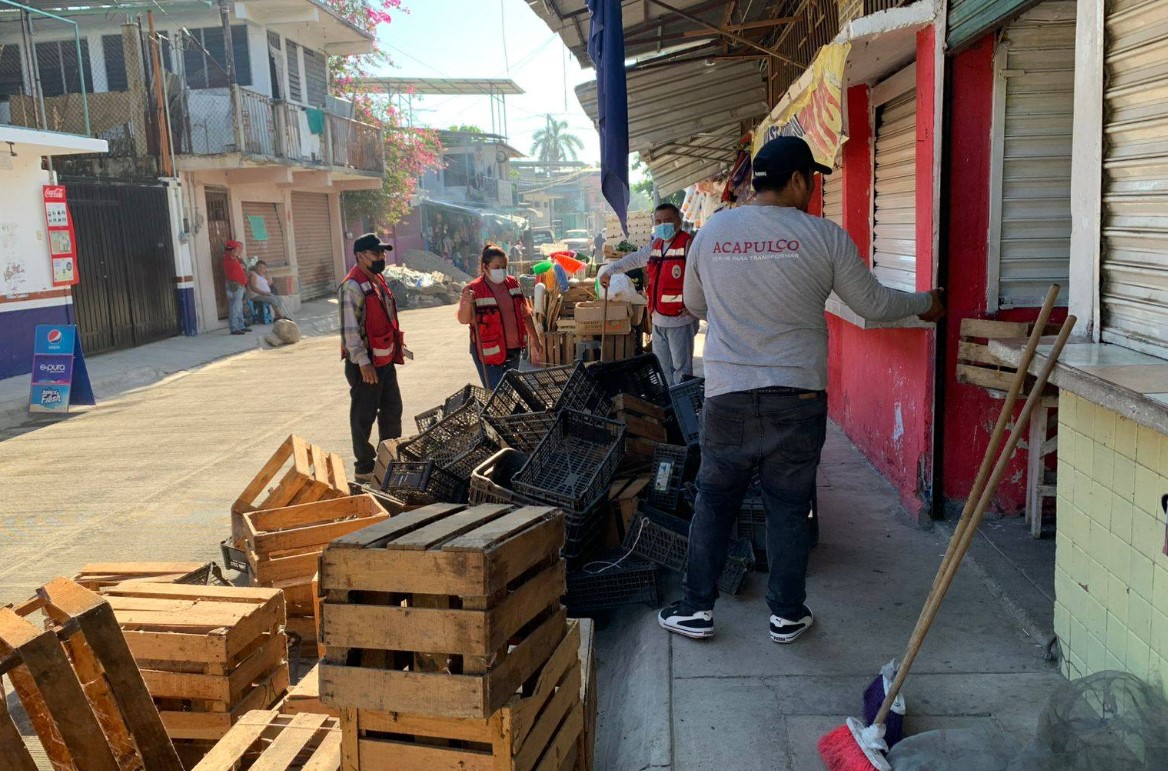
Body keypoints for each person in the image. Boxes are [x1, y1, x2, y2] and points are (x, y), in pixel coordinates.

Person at [658, 136, 944, 644]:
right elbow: (874, 304)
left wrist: (739, 313)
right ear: (795, 181)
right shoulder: (824, 237)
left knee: (714, 501)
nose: (813, 188)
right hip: (798, 398)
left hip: (728, 395)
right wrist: (927, 303)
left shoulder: (713, 231)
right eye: (810, 179)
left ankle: (696, 608)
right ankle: (787, 614)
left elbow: (694, 305)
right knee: (788, 506)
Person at [599, 203, 698, 385]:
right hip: (658, 317)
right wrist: (610, 271)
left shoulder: (688, 244)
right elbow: (635, 259)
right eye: (659, 221)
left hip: (680, 319)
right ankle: (670, 408)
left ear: (679, 221)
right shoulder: (656, 245)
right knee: (662, 368)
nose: (663, 225)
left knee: (681, 370)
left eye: (668, 220)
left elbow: (703, 277)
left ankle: (684, 409)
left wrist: (696, 308)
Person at [339, 233, 405, 485]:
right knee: (363, 416)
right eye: (376, 253)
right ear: (360, 256)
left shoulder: (377, 280)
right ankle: (364, 467)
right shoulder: (352, 286)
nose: (381, 258)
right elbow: (350, 330)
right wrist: (362, 362)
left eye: (383, 253)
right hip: (365, 364)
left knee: (392, 411)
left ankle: (387, 461)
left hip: (384, 360)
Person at [457, 243, 544, 389]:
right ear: (485, 267)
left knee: (509, 393)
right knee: (497, 395)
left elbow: (525, 314)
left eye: (504, 267)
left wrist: (535, 339)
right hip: (488, 353)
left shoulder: (513, 284)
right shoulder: (473, 289)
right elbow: (463, 319)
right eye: (497, 267)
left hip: (514, 351)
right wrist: (466, 302)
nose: (501, 271)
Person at [223, 240, 251, 335]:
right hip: (235, 285)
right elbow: (232, 254)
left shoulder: (234, 258)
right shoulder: (229, 257)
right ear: (233, 249)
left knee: (238, 306)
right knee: (235, 307)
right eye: (237, 248)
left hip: (239, 285)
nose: (239, 250)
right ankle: (234, 328)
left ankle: (240, 325)